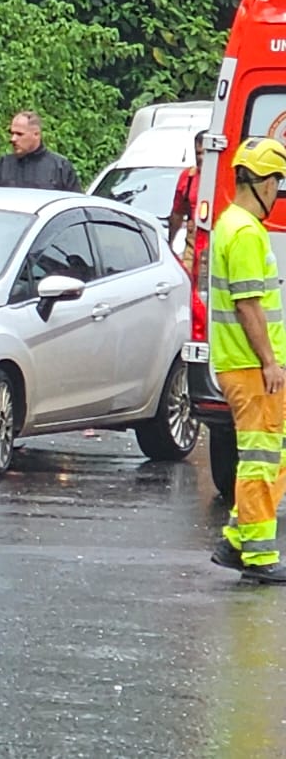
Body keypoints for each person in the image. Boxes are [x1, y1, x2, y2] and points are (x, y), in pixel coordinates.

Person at [209, 137, 286, 583]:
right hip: (251, 368)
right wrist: (270, 362)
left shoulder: (235, 225)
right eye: (276, 180)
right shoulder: (242, 232)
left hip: (250, 366)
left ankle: (238, 539)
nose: (277, 190)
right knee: (259, 459)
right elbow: (248, 306)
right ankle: (258, 557)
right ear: (260, 182)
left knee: (273, 455)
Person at [0, 111, 81, 191]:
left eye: (19, 134)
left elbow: (74, 206)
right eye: (12, 133)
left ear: (36, 134)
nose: (13, 139)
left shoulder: (60, 168)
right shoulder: (3, 166)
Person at [168, 131, 203, 272]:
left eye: (205, 153)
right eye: (198, 153)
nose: (201, 158)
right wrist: (169, 244)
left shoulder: (227, 176)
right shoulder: (188, 177)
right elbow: (177, 215)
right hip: (192, 246)